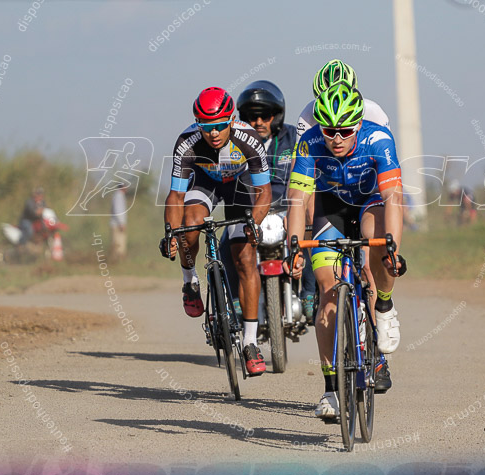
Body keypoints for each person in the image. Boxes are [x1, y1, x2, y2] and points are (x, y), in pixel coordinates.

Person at [285, 81, 406, 419]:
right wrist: (294, 247)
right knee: (327, 292)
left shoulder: (378, 140)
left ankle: (383, 304)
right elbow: (297, 201)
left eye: (344, 131)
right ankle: (331, 390)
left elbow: (394, 198)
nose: (336, 138)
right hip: (331, 206)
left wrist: (392, 248)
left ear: (358, 126)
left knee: (378, 250)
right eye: (329, 131)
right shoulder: (310, 144)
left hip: (370, 202)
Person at [160, 87, 272, 376]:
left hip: (239, 185)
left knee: (245, 259)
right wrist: (172, 233)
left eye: (221, 125)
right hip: (205, 183)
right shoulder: (187, 142)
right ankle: (190, 281)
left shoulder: (249, 138)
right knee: (191, 226)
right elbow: (175, 197)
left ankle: (250, 342)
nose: (214, 133)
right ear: (198, 125)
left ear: (232, 120)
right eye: (206, 127)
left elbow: (264, 193)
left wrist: (254, 225)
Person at [219, 80, 318, 322]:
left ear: (278, 116)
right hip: (250, 213)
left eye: (266, 116)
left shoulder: (295, 137)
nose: (259, 123)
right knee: (224, 245)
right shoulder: (235, 142)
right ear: (243, 118)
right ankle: (234, 301)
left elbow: (309, 170)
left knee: (311, 237)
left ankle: (309, 293)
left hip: (287, 210)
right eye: (253, 117)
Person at [110, 184, 128, 260]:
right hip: (117, 224)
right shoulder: (118, 196)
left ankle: (116, 259)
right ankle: (116, 259)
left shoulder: (119, 195)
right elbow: (118, 210)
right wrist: (121, 223)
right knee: (118, 243)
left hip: (117, 223)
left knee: (118, 242)